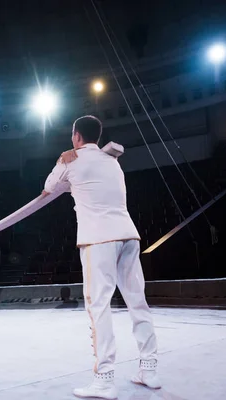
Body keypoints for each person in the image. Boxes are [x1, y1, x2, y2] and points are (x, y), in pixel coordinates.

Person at [43, 116, 161, 399]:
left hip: (99, 239)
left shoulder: (71, 160)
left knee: (99, 306)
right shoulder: (112, 161)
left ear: (76, 136)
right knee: (137, 302)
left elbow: (48, 187)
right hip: (128, 236)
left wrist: (63, 160)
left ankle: (104, 379)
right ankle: (149, 369)